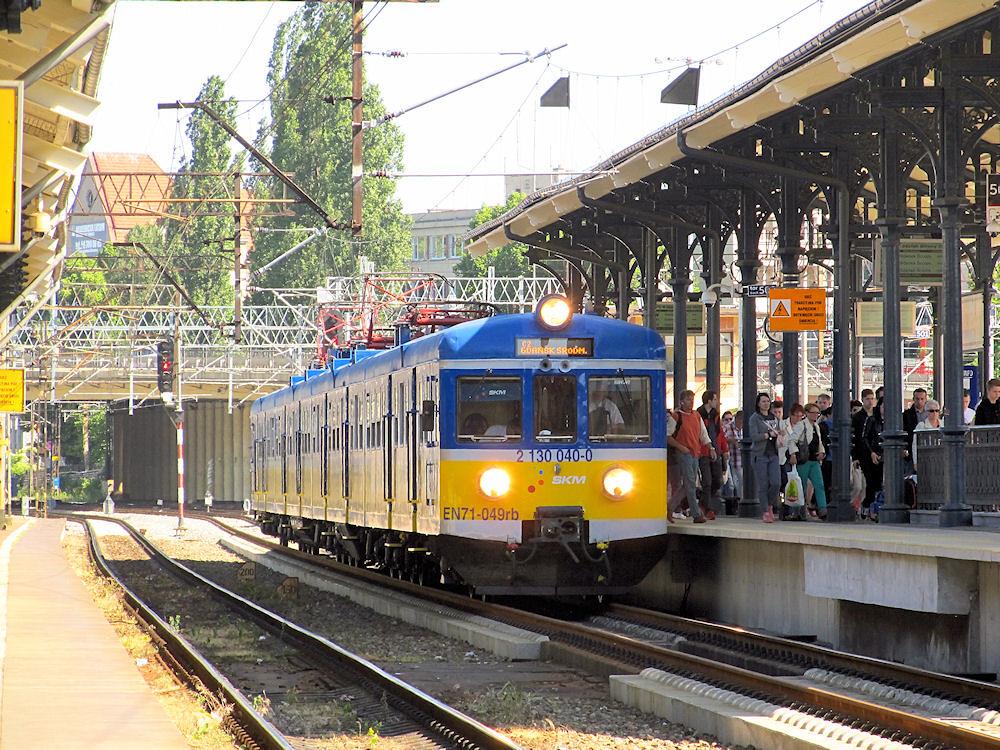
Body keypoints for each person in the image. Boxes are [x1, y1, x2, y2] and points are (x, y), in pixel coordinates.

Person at [667, 390, 711, 524]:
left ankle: (670, 507)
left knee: (687, 485)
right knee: (690, 483)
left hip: (694, 453)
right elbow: (667, 436)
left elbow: (703, 433)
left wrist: (710, 447)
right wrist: (681, 447)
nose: (691, 402)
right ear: (681, 401)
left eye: (692, 400)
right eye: (688, 400)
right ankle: (696, 514)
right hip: (684, 453)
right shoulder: (676, 417)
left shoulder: (696, 415)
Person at [789, 403, 829, 518]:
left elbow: (819, 442)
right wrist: (793, 454)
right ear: (806, 413)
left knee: (819, 484)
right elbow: (792, 440)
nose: (815, 415)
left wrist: (822, 452)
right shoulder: (802, 425)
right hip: (804, 460)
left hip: (814, 460)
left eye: (817, 413)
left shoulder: (816, 426)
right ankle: (798, 510)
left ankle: (822, 508)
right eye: (813, 413)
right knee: (801, 485)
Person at [748, 393, 782, 523]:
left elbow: (779, 432)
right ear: (758, 403)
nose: (766, 403)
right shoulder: (754, 418)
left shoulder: (774, 417)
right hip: (760, 454)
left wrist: (780, 435)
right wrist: (767, 435)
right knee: (763, 484)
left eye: (768, 401)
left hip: (773, 453)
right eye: (763, 401)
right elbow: (754, 436)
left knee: (776, 482)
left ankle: (769, 504)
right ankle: (765, 511)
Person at [696, 390, 726, 520]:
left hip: (715, 451)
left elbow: (719, 433)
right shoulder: (698, 415)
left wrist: (723, 449)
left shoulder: (715, 415)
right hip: (703, 451)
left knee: (718, 479)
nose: (717, 402)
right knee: (707, 481)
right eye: (715, 399)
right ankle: (707, 507)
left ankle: (703, 500)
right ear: (709, 401)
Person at [862, 397, 886, 517]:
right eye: (883, 406)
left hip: (885, 454)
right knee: (872, 483)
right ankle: (868, 506)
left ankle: (875, 506)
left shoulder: (891, 422)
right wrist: (871, 452)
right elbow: (865, 437)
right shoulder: (872, 420)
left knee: (880, 483)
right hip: (872, 455)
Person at [913, 399, 941, 472]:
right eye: (931, 411)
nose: (934, 413)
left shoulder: (944, 425)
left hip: (941, 459)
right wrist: (916, 462)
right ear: (926, 412)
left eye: (937, 410)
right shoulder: (921, 426)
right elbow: (915, 445)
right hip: (926, 459)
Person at [902, 387, 928, 464]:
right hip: (911, 448)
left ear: (925, 399)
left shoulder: (930, 413)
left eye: (922, 399)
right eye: (917, 399)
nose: (919, 401)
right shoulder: (906, 415)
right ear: (913, 399)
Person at [723, 410, 744, 502]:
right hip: (731, 459)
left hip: (742, 460)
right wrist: (730, 440)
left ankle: (740, 501)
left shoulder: (746, 428)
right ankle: (735, 502)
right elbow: (722, 439)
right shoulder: (728, 427)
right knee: (733, 484)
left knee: (741, 483)